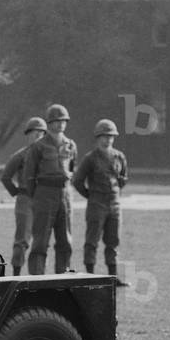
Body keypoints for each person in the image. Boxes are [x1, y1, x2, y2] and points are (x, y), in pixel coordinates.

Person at [72, 118, 129, 282]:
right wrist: (90, 195)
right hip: (96, 203)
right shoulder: (90, 158)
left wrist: (115, 192)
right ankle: (90, 275)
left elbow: (123, 178)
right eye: (105, 136)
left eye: (111, 136)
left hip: (114, 204)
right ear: (98, 137)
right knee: (92, 241)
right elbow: (77, 181)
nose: (108, 139)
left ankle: (113, 276)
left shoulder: (119, 157)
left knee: (113, 241)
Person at [24, 103, 78, 274]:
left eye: (63, 120)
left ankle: (63, 276)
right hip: (44, 193)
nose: (60, 124)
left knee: (65, 240)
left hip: (65, 193)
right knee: (40, 240)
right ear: (49, 122)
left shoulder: (70, 145)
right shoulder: (38, 146)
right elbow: (29, 176)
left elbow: (73, 169)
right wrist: (37, 197)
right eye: (56, 120)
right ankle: (36, 279)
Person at [0, 116, 47, 275]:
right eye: (34, 132)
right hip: (25, 199)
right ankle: (16, 274)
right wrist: (17, 192)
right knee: (22, 240)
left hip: (42, 199)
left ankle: (38, 275)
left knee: (41, 241)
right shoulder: (21, 155)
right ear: (28, 134)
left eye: (41, 133)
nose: (38, 136)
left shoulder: (47, 156)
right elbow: (6, 177)